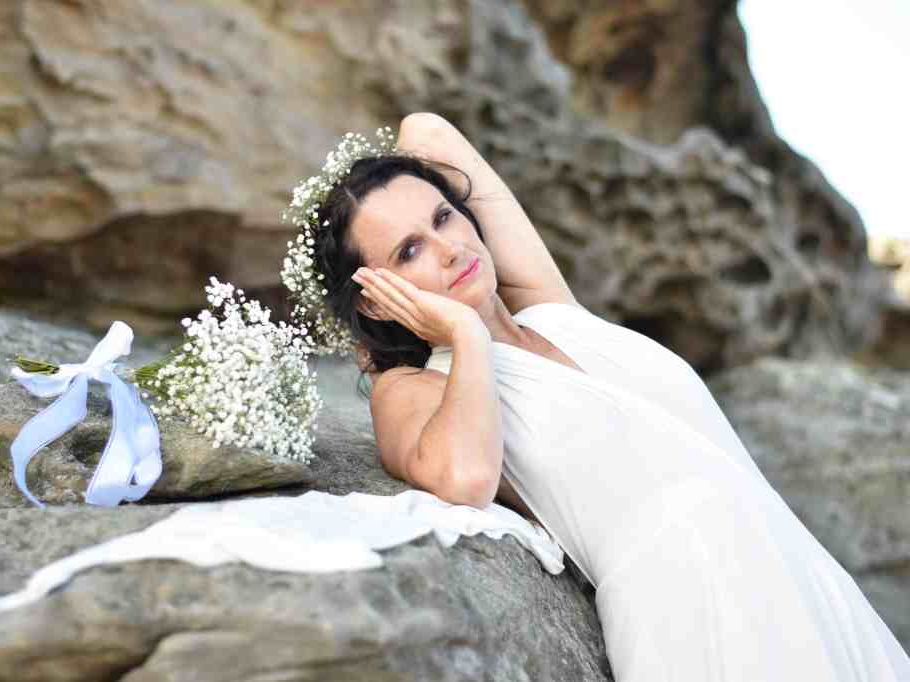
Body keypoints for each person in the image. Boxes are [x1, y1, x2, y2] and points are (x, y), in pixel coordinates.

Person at [300, 112, 910, 680]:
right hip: (694, 607)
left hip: (796, 571)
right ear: (374, 298)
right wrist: (463, 333)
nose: (449, 247)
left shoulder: (548, 307)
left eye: (443, 217)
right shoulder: (415, 386)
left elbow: (426, 130)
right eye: (408, 251)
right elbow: (465, 477)